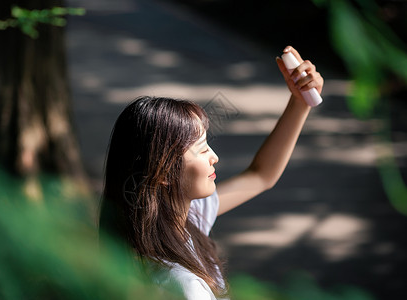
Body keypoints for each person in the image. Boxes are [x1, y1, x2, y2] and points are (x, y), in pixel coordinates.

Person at [99, 46, 324, 299]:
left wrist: (299, 102)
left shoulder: (175, 220)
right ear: (161, 172)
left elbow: (261, 176)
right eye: (201, 149)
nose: (214, 157)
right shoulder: (182, 285)